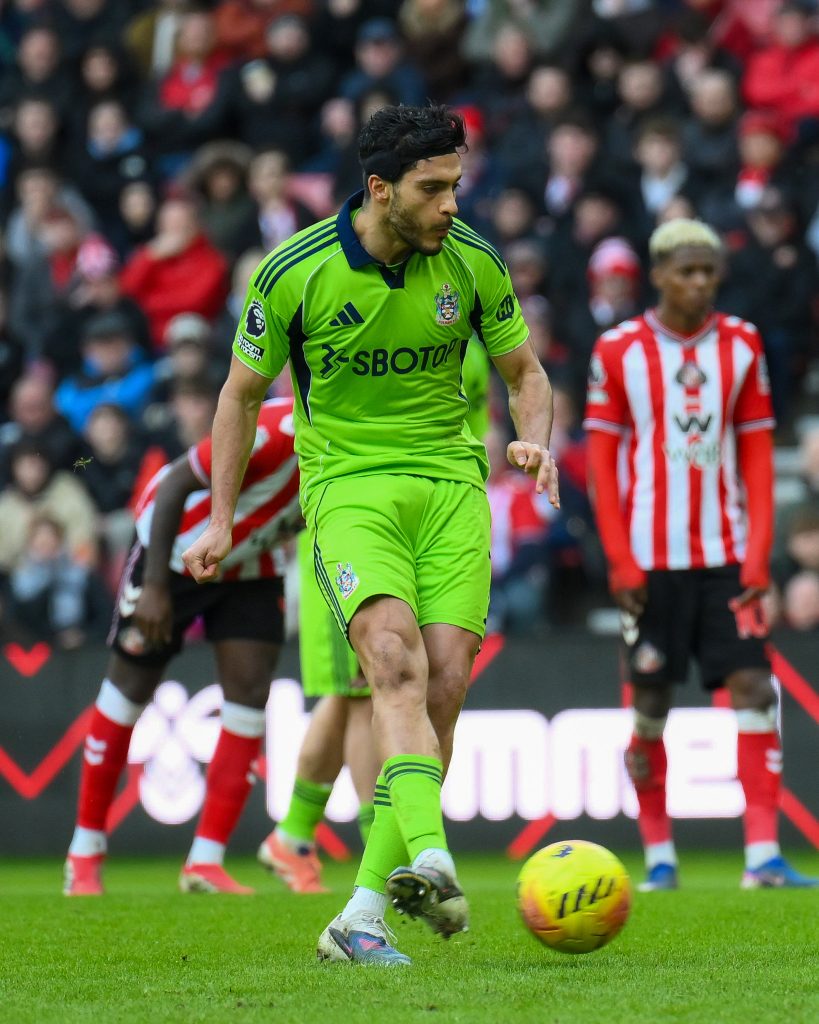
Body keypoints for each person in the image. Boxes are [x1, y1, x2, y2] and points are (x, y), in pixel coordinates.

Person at [181, 102, 559, 966]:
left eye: (457, 186)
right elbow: (239, 396)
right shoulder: (294, 271)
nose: (451, 206)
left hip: (453, 489)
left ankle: (358, 917)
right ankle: (431, 855)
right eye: (433, 190)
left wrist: (532, 434)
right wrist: (224, 516)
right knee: (391, 662)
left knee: (445, 689)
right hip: (349, 489)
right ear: (379, 189)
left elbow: (524, 373)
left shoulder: (472, 262)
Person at [583, 217, 819, 892]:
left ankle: (762, 858)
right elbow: (601, 465)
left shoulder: (741, 343)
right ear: (656, 275)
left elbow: (752, 450)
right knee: (650, 705)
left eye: (707, 272)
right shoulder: (618, 350)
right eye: (685, 272)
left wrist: (756, 556)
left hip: (722, 556)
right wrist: (620, 561)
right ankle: (659, 858)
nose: (698, 284)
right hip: (650, 561)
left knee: (753, 687)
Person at [63, 397, 301, 896]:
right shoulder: (272, 430)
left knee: (250, 698)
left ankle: (205, 862)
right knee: (128, 689)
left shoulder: (360, 447)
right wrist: (152, 587)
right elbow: (172, 485)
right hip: (176, 551)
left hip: (252, 564)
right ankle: (84, 853)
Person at [258, 530, 379, 895]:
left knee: (357, 692)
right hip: (341, 538)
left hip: (378, 536)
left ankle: (293, 835)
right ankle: (382, 851)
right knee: (361, 691)